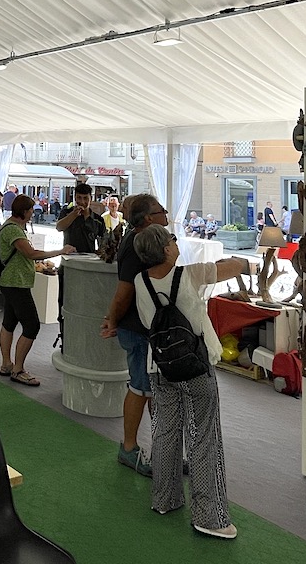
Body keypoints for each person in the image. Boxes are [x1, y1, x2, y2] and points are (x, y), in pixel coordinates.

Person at [132, 224, 248, 540]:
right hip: (194, 365)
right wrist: (241, 260)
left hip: (159, 365)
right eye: (172, 239)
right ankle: (210, 517)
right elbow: (234, 266)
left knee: (165, 431)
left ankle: (164, 498)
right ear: (165, 249)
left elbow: (144, 320)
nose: (175, 243)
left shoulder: (140, 281)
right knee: (203, 436)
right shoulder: (190, 274)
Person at [99, 193, 168, 477]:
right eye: (161, 211)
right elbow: (124, 290)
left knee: (153, 391)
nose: (166, 215)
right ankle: (129, 448)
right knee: (140, 388)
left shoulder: (148, 240)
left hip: (149, 327)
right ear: (149, 218)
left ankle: (164, 449)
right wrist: (112, 319)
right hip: (137, 329)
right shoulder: (135, 244)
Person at [0, 194, 75, 387]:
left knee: (9, 322)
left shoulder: (11, 227)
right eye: (31, 210)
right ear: (24, 211)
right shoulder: (13, 230)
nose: (33, 213)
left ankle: (7, 364)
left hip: (12, 282)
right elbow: (31, 253)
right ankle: (18, 370)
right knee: (32, 326)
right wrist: (60, 251)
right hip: (16, 283)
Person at [55, 182, 105, 253]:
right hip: (69, 257)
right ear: (75, 198)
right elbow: (59, 227)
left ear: (91, 199)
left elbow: (103, 241)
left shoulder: (98, 220)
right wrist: (73, 215)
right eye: (79, 198)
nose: (82, 202)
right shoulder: (66, 212)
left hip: (90, 258)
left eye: (85, 198)